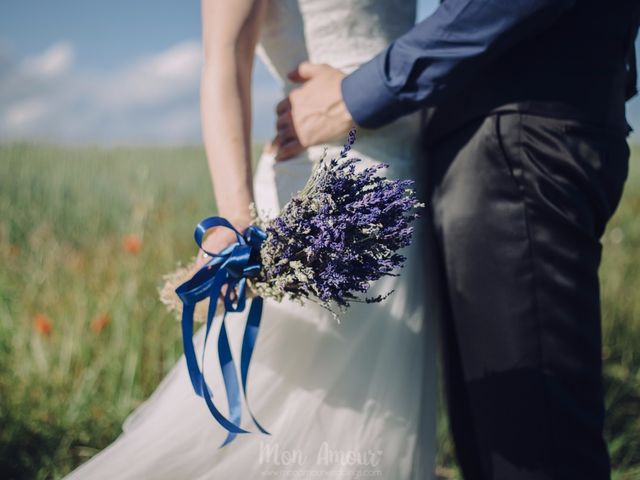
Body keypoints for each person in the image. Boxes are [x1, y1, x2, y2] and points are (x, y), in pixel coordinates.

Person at [64, 1, 440, 479]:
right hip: (322, 189)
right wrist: (237, 226)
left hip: (407, 186)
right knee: (284, 406)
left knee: (380, 417)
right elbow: (224, 61)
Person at [275, 0, 640, 479]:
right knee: (495, 443)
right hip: (493, 139)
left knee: (530, 449)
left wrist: (353, 96)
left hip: (515, 138)